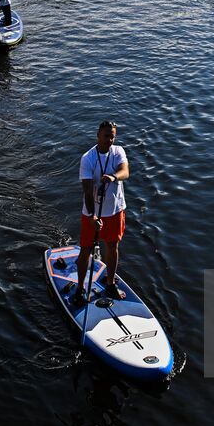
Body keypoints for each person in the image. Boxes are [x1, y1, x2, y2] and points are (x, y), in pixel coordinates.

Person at [72, 120, 130, 306]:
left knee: (112, 246)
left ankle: (110, 283)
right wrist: (92, 216)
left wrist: (113, 176)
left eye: (112, 136)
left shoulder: (118, 152)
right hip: (93, 213)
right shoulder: (88, 158)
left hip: (115, 210)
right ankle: (80, 288)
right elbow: (88, 191)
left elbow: (125, 172)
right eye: (106, 136)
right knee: (86, 250)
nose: (109, 140)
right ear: (98, 135)